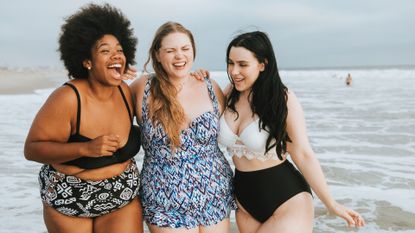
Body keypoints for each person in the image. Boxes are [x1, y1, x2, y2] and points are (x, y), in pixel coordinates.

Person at [216, 31, 365, 232]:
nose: (234, 71)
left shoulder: (282, 99)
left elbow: (303, 153)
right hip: (244, 201)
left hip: (287, 199)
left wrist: (331, 204)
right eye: (230, 63)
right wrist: (198, 78)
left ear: (262, 64)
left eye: (242, 64)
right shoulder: (229, 93)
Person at [24, 4, 143, 233]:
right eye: (105, 51)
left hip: (121, 196)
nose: (116, 55)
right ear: (87, 61)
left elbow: (163, 97)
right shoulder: (68, 98)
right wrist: (85, 149)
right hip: (71, 198)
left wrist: (196, 77)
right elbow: (32, 149)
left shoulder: (126, 92)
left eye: (119, 49)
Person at [130, 21, 235, 233]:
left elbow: (237, 123)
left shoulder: (211, 87)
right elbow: (107, 108)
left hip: (214, 192)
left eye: (185, 49)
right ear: (157, 55)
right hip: (164, 198)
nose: (180, 56)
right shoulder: (142, 88)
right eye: (171, 50)